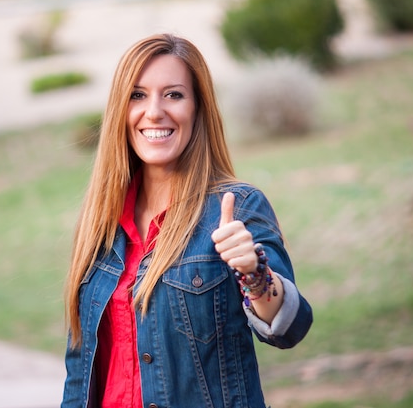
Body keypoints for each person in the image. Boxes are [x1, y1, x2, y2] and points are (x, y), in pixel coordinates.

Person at [61, 33, 313, 408]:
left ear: (197, 108)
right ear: (120, 110)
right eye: (138, 95)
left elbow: (290, 326)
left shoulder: (235, 208)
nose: (154, 112)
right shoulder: (102, 223)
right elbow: (80, 375)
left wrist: (255, 273)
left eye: (174, 94)